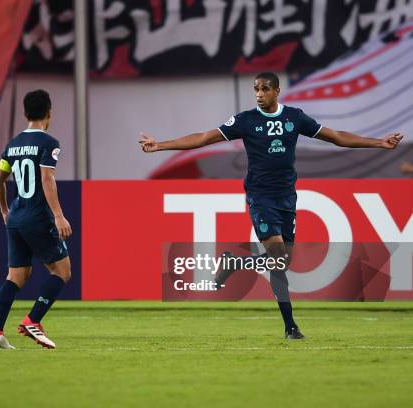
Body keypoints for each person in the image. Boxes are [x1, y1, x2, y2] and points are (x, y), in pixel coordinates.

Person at [139, 72, 403, 340]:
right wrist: (160, 145)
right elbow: (203, 138)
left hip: (287, 198)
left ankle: (235, 263)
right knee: (277, 258)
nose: (259, 94)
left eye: (265, 89)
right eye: (256, 89)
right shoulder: (245, 121)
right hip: (260, 197)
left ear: (277, 91)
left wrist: (378, 142)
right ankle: (291, 327)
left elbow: (335, 136)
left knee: (283, 261)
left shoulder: (294, 117)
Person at [0, 89, 72, 350]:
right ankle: (32, 320)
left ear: (24, 113)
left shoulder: (12, 145)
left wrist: (3, 210)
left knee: (16, 276)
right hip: (38, 217)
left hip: (16, 216)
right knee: (62, 271)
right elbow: (47, 178)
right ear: (49, 113)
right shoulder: (49, 143)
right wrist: (58, 215)